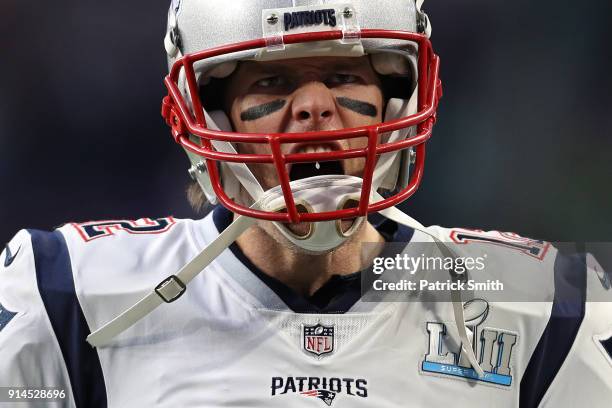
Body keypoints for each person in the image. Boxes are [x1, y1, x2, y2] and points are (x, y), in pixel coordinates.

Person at [0, 1, 610, 407]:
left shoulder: (538, 302)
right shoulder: (71, 292)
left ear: (400, 102)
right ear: (210, 115)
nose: (314, 108)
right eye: (273, 81)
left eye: (343, 78)